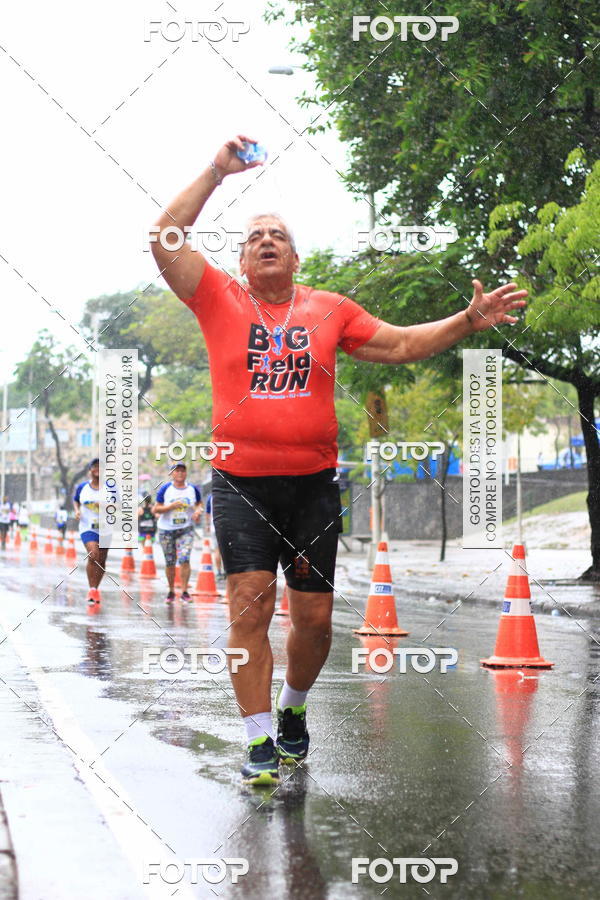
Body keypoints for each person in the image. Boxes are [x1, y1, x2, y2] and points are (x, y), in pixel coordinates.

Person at [150, 134, 528, 785]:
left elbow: (402, 345)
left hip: (312, 488)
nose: (266, 239)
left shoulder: (330, 310)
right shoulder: (218, 298)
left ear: (295, 256)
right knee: (249, 604)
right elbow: (165, 239)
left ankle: (293, 709)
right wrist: (217, 170)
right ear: (240, 258)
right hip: (242, 485)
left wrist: (467, 321)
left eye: (278, 235)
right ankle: (259, 738)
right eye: (254, 236)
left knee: (316, 621)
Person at [152, 464, 202, 604]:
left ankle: (185, 591)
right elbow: (156, 509)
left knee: (185, 559)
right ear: (171, 474)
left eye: (182, 471)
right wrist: (171, 507)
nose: (180, 473)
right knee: (170, 562)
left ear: (186, 473)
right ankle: (171, 590)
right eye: (177, 471)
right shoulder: (165, 489)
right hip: (166, 530)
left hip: (185, 529)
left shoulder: (192, 489)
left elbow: (199, 504)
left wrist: (198, 512)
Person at [73, 458, 107, 605]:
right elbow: (76, 500)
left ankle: (96, 589)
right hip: (87, 527)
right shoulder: (82, 487)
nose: (97, 469)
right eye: (95, 466)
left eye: (101, 466)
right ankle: (92, 588)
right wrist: (77, 511)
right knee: (93, 554)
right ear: (90, 470)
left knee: (101, 560)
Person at [204, 492, 223, 577]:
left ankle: (219, 572)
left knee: (217, 550)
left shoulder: (211, 496)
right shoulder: (230, 493)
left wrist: (208, 525)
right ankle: (228, 571)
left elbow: (207, 513)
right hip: (228, 527)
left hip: (214, 527)